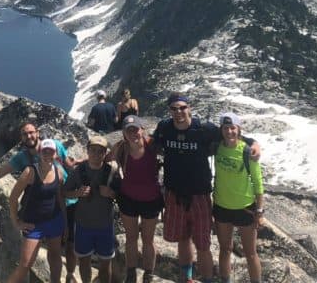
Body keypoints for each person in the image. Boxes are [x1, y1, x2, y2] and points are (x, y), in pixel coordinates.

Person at [152, 93, 260, 283]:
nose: (179, 112)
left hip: (200, 195)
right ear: (169, 111)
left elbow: (231, 134)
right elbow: (153, 144)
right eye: (174, 108)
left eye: (182, 107)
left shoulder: (204, 129)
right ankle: (187, 277)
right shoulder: (164, 128)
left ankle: (208, 279)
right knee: (183, 239)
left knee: (203, 244)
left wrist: (254, 143)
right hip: (174, 193)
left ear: (189, 108)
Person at [0, 121, 79, 282]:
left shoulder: (56, 147)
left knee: (67, 247)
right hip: (40, 212)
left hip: (65, 204)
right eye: (25, 134)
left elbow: (68, 165)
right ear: (21, 138)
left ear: (37, 133)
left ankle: (69, 275)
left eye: (31, 132)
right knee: (29, 262)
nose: (29, 136)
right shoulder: (24, 160)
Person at [213, 112, 264, 283]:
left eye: (232, 128)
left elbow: (258, 182)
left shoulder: (247, 151)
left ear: (239, 129)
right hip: (221, 206)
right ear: (221, 130)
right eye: (226, 128)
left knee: (250, 253)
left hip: (245, 207)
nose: (229, 132)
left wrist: (259, 209)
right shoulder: (216, 147)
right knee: (225, 249)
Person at [112, 115, 163, 283]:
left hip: (151, 200)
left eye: (135, 129)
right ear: (124, 134)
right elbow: (104, 159)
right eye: (129, 130)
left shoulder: (153, 146)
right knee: (131, 238)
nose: (133, 133)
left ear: (142, 130)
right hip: (128, 199)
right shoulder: (121, 148)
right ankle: (131, 274)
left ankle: (148, 275)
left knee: (148, 240)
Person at [9, 138, 67, 283]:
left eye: (51, 151)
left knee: (55, 256)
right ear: (40, 153)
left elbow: (59, 198)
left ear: (56, 154)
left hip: (54, 220)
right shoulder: (30, 172)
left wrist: (65, 222)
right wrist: (16, 222)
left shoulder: (58, 172)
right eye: (44, 151)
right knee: (25, 264)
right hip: (33, 224)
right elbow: (13, 197)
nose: (47, 154)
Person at [64, 136, 120, 283]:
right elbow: (65, 192)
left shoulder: (111, 172)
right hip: (83, 225)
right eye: (93, 150)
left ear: (105, 153)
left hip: (105, 226)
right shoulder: (78, 171)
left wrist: (112, 193)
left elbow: (121, 195)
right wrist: (77, 193)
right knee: (84, 260)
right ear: (87, 151)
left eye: (100, 151)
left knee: (105, 262)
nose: (96, 154)